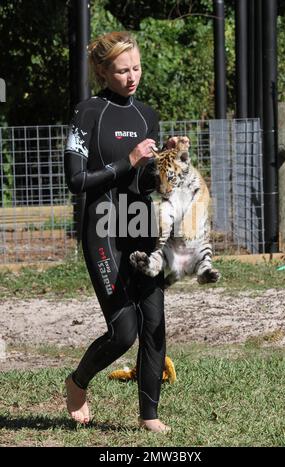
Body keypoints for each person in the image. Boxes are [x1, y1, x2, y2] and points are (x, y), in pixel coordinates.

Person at [64, 31, 171, 433]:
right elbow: (76, 180)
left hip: (141, 227)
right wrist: (128, 159)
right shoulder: (87, 112)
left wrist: (165, 168)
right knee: (124, 329)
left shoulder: (148, 116)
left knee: (154, 322)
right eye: (123, 70)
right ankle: (77, 383)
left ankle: (149, 416)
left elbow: (141, 183)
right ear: (103, 71)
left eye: (137, 68)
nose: (132, 77)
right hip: (103, 229)